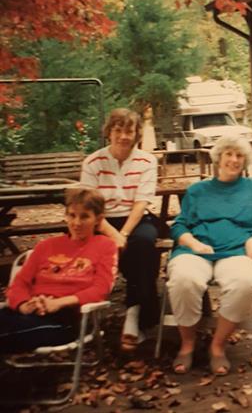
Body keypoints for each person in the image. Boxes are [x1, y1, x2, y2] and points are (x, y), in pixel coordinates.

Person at [167, 135, 252, 375]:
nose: (234, 160)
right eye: (229, 154)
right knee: (184, 280)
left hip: (238, 251)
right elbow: (179, 226)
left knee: (245, 282)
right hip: (197, 250)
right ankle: (187, 343)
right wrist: (193, 243)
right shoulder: (197, 190)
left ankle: (217, 346)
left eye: (239, 155)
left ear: (245, 160)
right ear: (218, 157)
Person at [80, 108, 159, 352]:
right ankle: (78, 316)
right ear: (109, 132)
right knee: (81, 246)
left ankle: (135, 314)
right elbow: (89, 207)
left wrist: (123, 234)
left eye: (129, 131)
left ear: (136, 134)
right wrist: (113, 235)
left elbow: (141, 203)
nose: (123, 136)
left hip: (135, 219)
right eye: (118, 130)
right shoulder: (93, 162)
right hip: (99, 220)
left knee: (144, 244)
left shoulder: (147, 161)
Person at [0, 189, 117, 353]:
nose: (76, 223)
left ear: (98, 219)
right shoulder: (46, 246)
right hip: (29, 309)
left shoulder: (104, 246)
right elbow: (19, 283)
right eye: (72, 215)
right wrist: (23, 305)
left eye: (84, 216)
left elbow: (101, 289)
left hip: (63, 318)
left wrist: (58, 303)